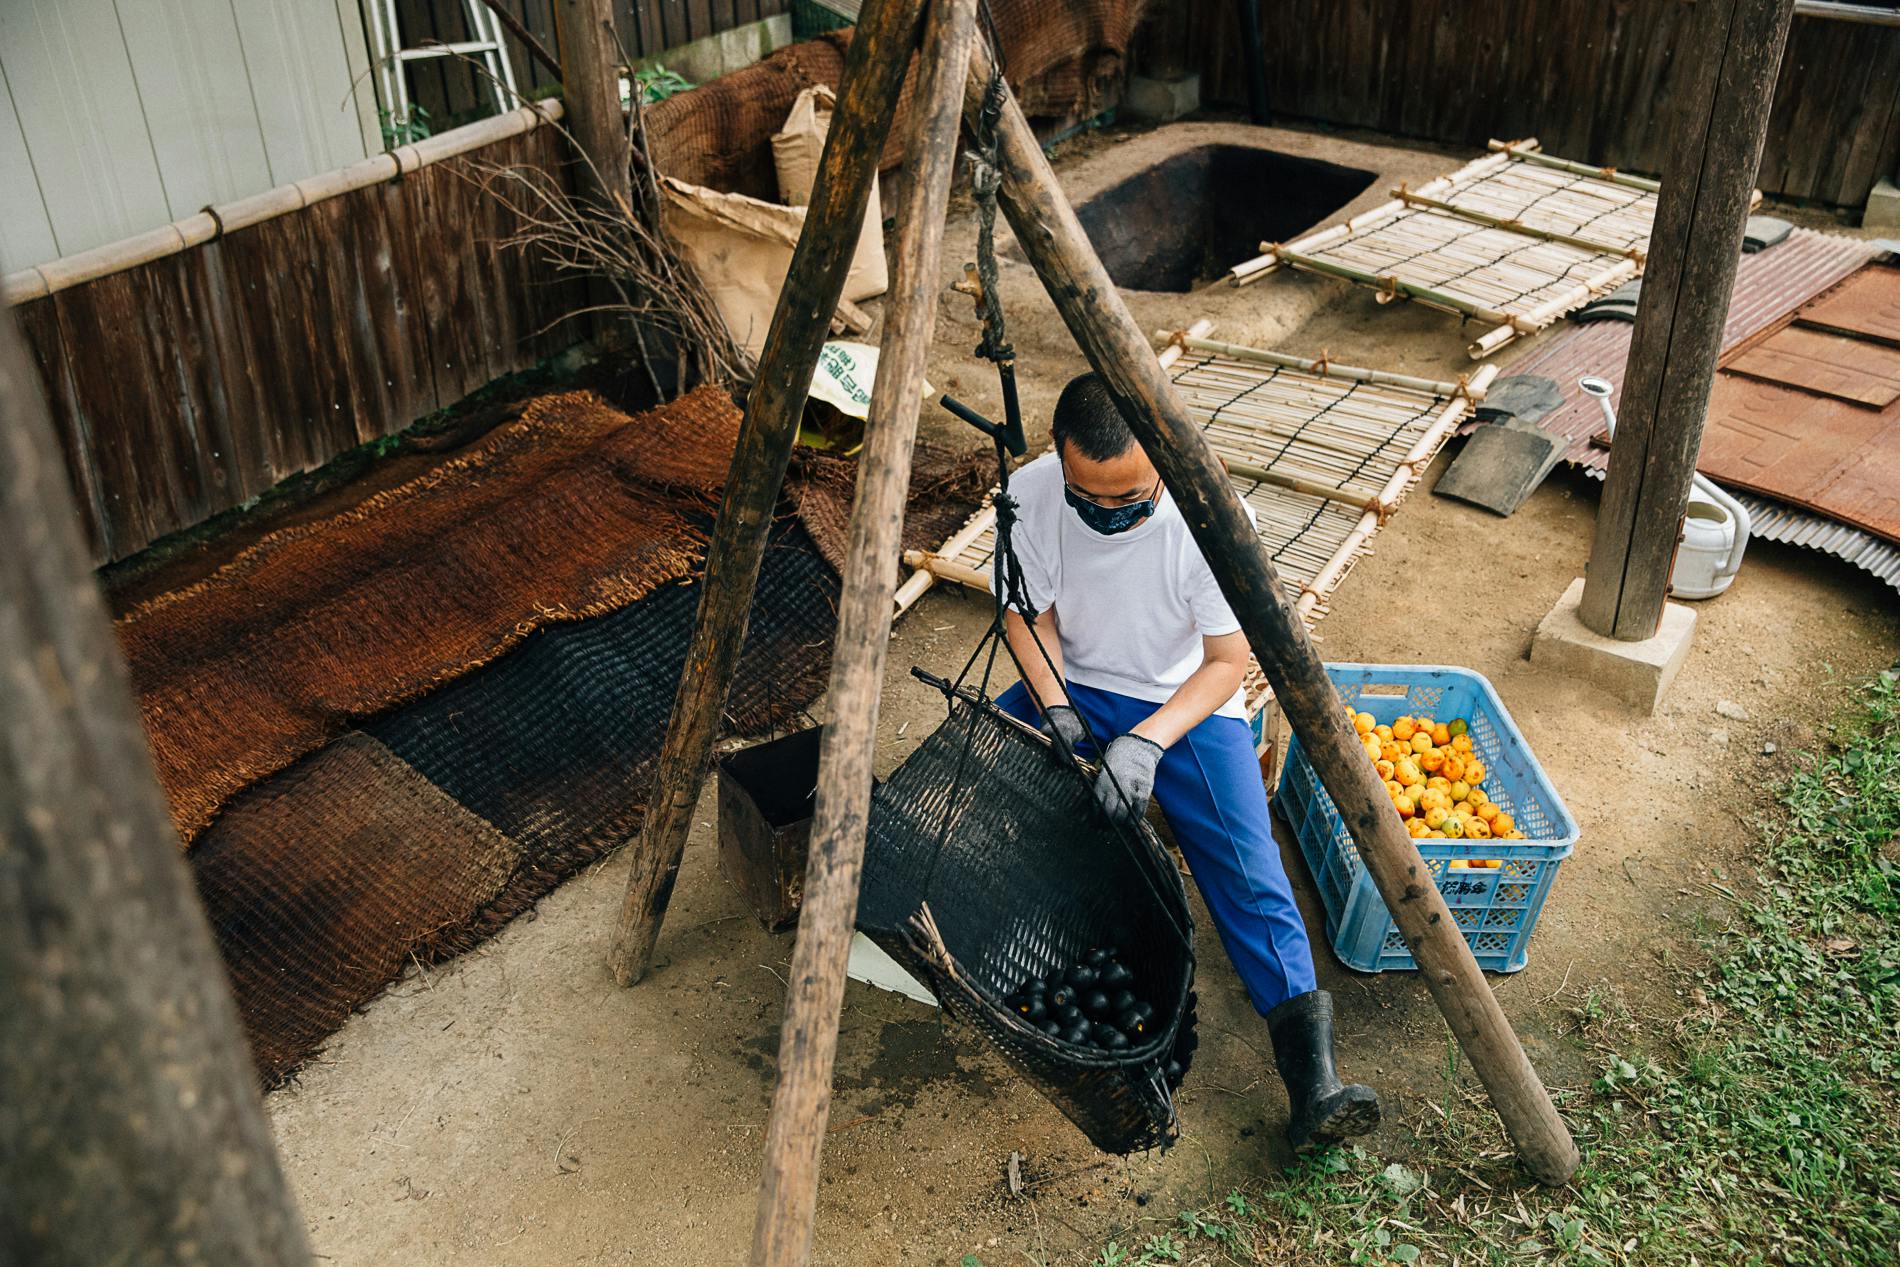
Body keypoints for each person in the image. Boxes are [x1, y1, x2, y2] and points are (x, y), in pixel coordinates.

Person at [993, 372, 1379, 1151]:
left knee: (1247, 864)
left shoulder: (1211, 515)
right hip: (1077, 682)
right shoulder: (1028, 493)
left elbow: (1227, 660)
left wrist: (1146, 741)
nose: (1111, 514)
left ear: (1162, 464)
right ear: (1059, 463)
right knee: (989, 784)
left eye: (1131, 498)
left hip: (1185, 700)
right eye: (1088, 498)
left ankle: (1313, 1079)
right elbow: (1025, 614)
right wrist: (1061, 709)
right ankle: (1007, 952)